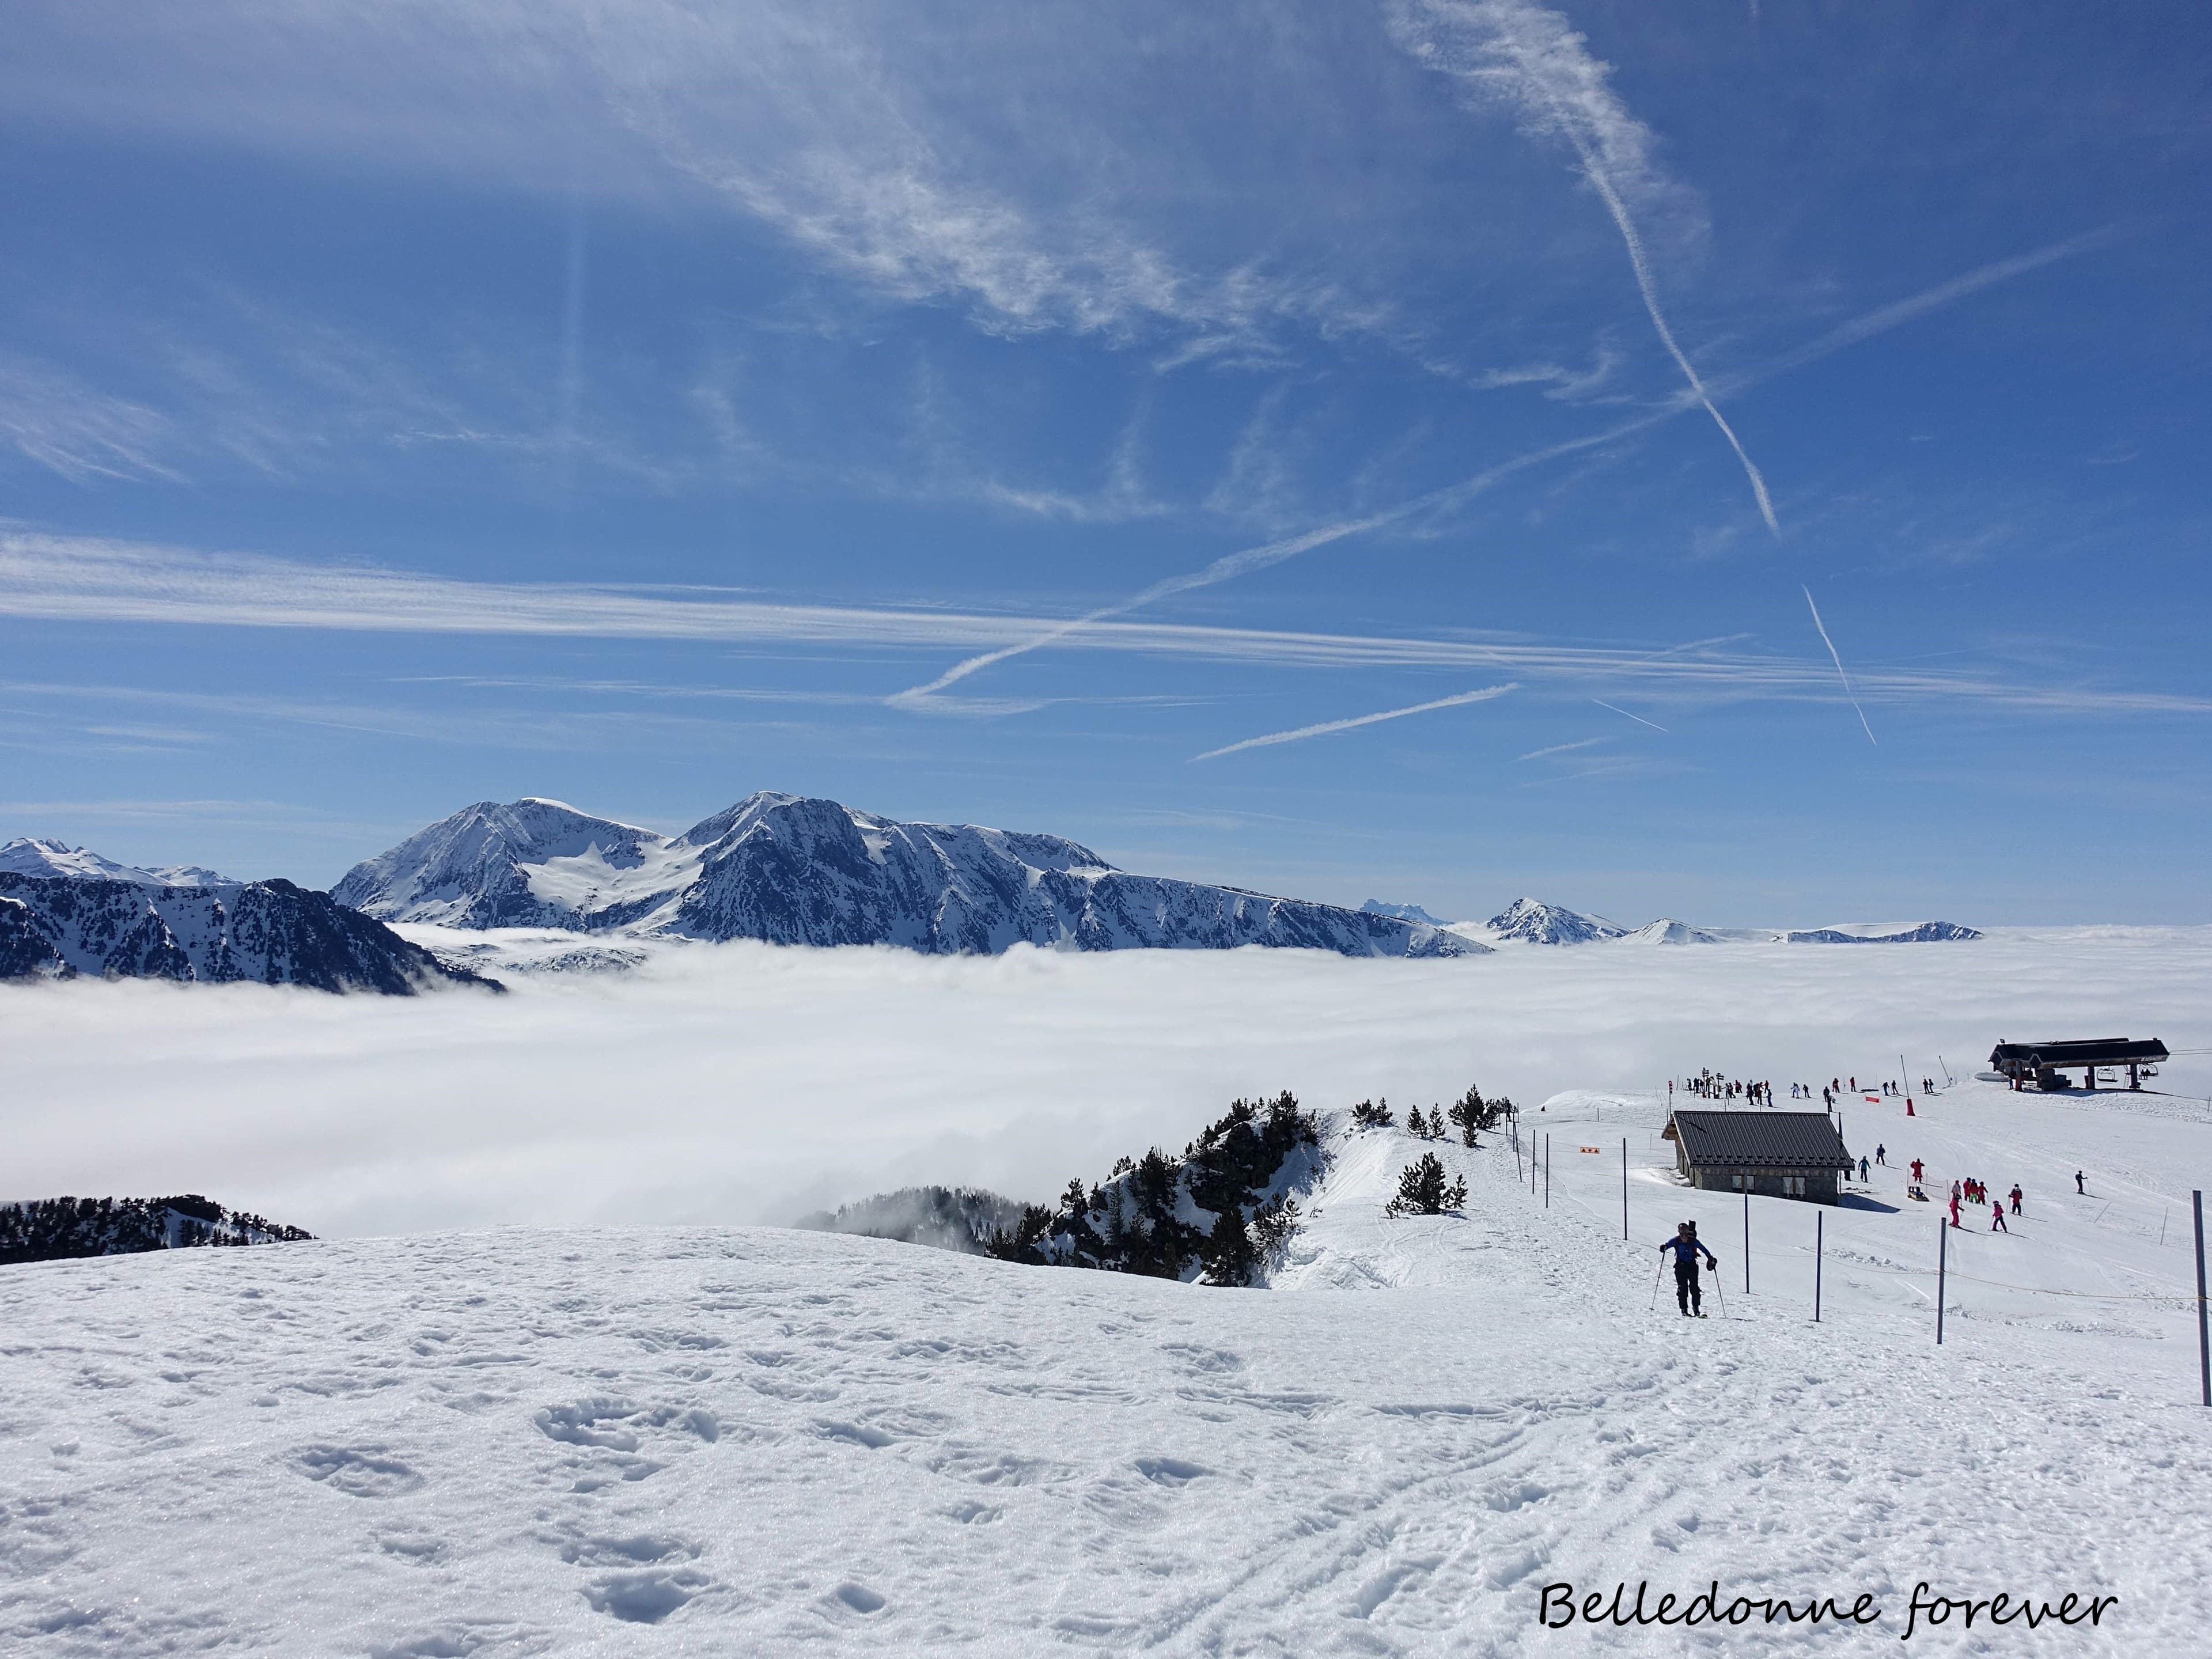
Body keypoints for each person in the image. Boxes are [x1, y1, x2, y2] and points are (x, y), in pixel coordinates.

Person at [1660, 1221, 1718, 1317]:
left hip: (1691, 1267)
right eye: (1682, 1232)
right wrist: (1664, 1248)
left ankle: (1695, 1310)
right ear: (1679, 1232)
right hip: (1681, 1267)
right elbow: (1667, 1245)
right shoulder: (1677, 1241)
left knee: (1694, 1288)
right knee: (1683, 1288)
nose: (1684, 1235)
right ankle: (1685, 1310)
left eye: (1685, 1232)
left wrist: (1710, 1258)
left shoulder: (1690, 1241)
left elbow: (1703, 1249)